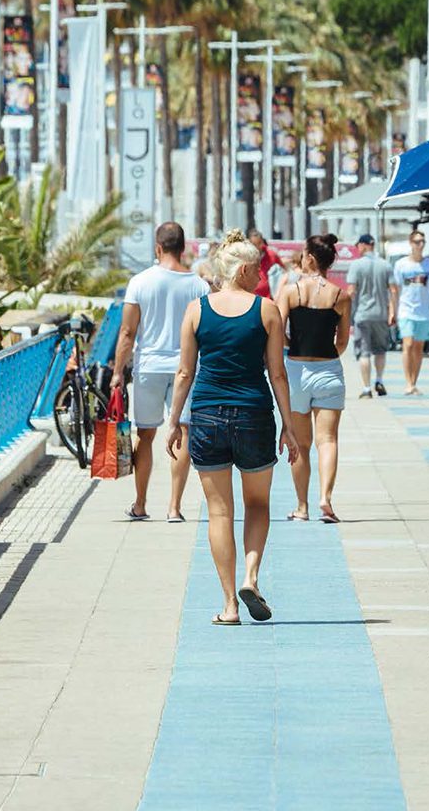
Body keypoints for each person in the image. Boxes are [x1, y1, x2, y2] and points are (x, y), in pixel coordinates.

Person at [165, 230, 300, 626]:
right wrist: (289, 427)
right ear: (242, 269)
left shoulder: (196, 310)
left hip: (206, 417)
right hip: (254, 415)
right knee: (258, 505)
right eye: (257, 268)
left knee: (219, 512)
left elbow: (185, 371)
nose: (261, 275)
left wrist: (175, 422)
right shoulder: (267, 310)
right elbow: (278, 373)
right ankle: (251, 577)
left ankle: (229, 605)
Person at [111, 221, 209, 523]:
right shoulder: (199, 285)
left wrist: (117, 372)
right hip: (187, 368)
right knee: (182, 432)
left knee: (146, 433)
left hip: (149, 366)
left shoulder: (140, 282)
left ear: (158, 247)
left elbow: (128, 332)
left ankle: (140, 503)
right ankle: (175, 507)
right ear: (183, 248)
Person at [276, 234, 351, 523]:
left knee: (300, 443)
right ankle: (326, 498)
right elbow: (342, 341)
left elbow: (277, 330)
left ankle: (302, 507)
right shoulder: (340, 295)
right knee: (328, 440)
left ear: (308, 258)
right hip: (329, 370)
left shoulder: (291, 292)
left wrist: (291, 346)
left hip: (296, 371)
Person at [394, 230, 429, 395]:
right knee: (407, 345)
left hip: (424, 311)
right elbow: (394, 289)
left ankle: (414, 382)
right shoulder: (401, 264)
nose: (420, 244)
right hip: (405, 310)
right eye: (417, 241)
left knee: (418, 348)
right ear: (411, 243)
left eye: (422, 241)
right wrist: (392, 310)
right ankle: (408, 382)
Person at [346, 233, 397, 399]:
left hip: (362, 314)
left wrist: (346, 313)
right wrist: (392, 312)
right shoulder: (386, 265)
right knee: (381, 350)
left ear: (363, 245)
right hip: (381, 315)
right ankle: (379, 380)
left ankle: (367, 388)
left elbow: (351, 291)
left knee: (364, 353)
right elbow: (394, 290)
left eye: (358, 246)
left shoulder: (356, 265)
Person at [247, 228, 284, 299]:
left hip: (269, 298)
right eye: (254, 244)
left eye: (259, 243)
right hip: (251, 298)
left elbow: (283, 272)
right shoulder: (246, 258)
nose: (257, 247)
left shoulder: (272, 255)